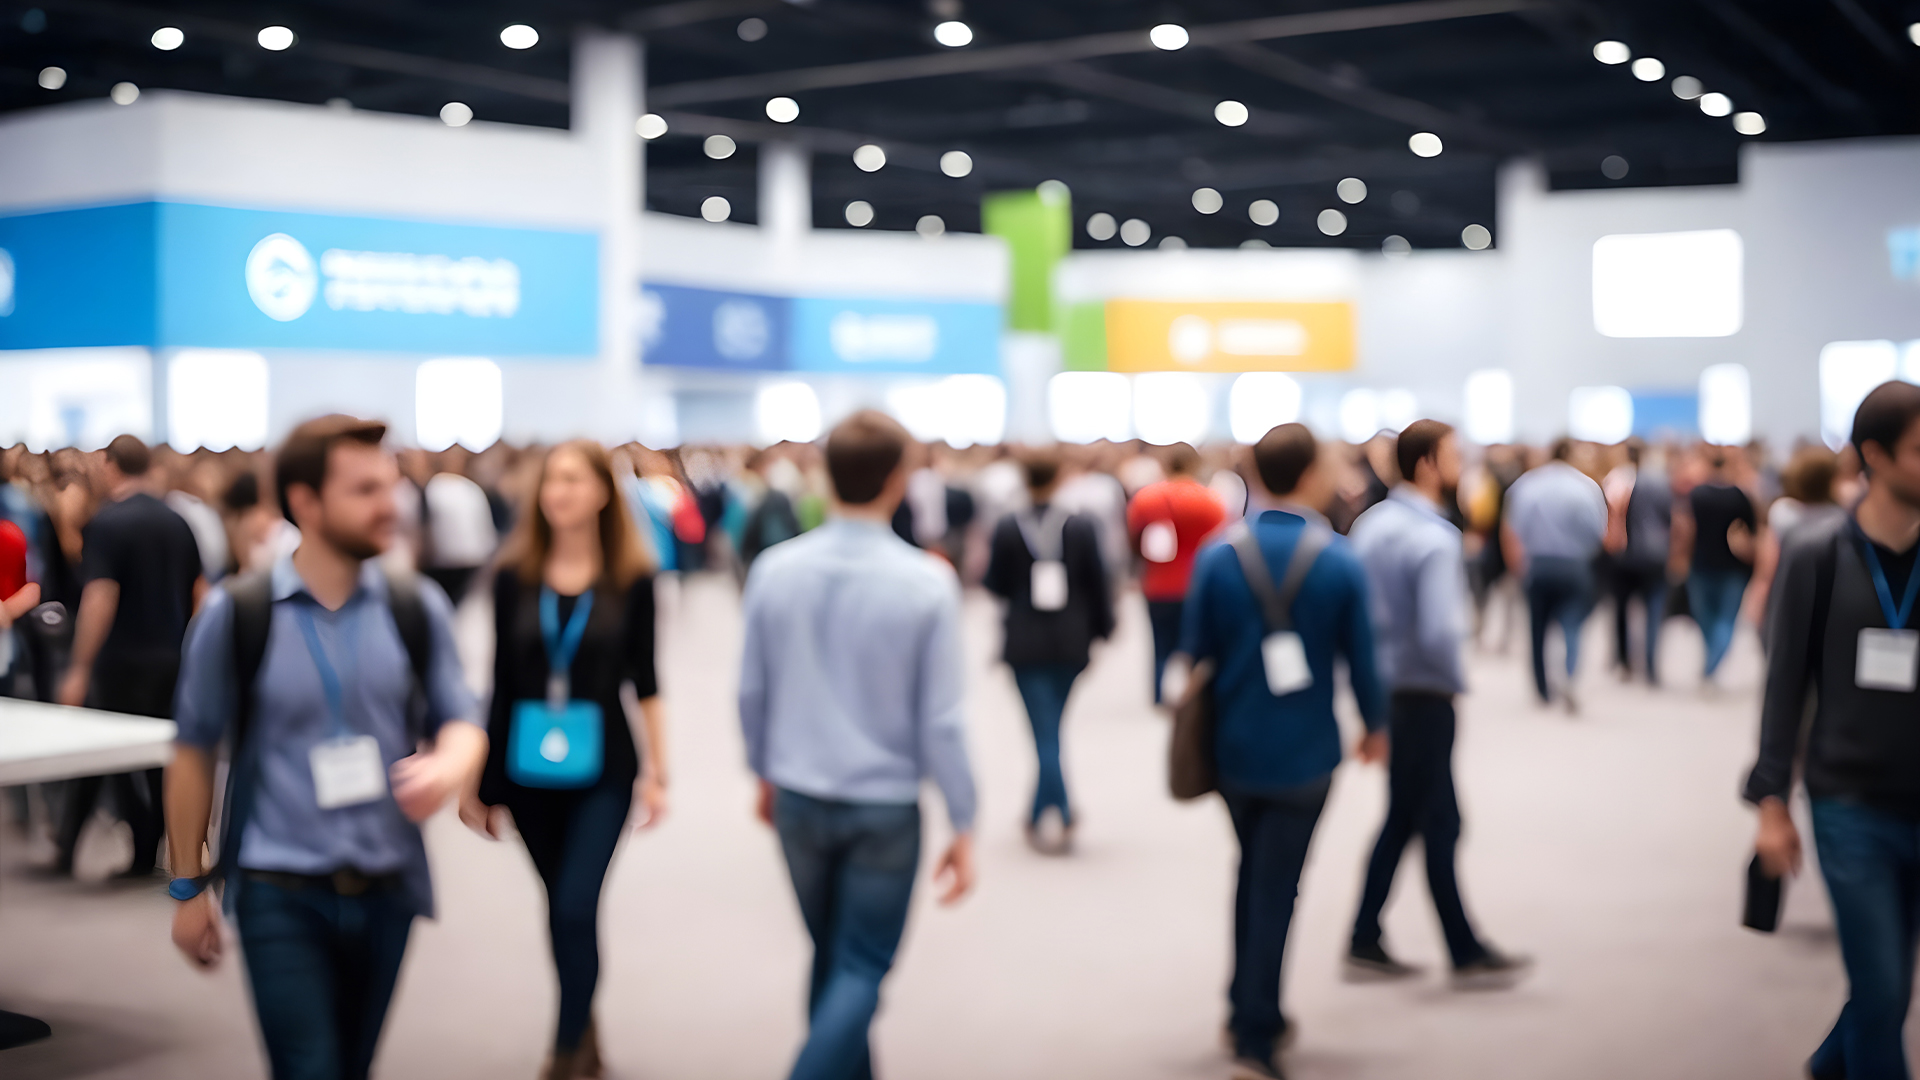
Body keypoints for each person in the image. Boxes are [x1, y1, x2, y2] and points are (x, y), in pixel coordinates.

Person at [164, 415, 487, 1080]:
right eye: (365, 489)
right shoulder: (237, 613)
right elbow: (192, 751)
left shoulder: (413, 605)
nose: (390, 505)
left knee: (353, 1065)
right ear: (305, 502)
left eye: (391, 486)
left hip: (387, 887)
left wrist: (447, 766)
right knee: (309, 1068)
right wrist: (187, 886)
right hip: (279, 888)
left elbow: (463, 719)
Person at [738, 410, 977, 1080]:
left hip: (800, 795)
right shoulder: (927, 581)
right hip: (885, 805)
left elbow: (750, 693)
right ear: (900, 481)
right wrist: (964, 817)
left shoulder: (774, 571)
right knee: (862, 963)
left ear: (823, 471)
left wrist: (763, 769)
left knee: (833, 955)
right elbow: (944, 720)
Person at [1179, 423, 1386, 1080]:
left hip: (1233, 745)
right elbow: (1364, 662)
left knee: (1253, 872)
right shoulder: (1339, 559)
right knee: (1277, 885)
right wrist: (1376, 725)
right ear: (1308, 475)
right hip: (1307, 750)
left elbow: (1194, 650)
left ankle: (1243, 1005)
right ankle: (1255, 1031)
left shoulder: (1217, 555)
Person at [469, 440, 670, 1080]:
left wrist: (661, 772)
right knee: (560, 905)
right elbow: (499, 679)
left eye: (575, 480)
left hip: (606, 766)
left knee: (577, 904)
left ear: (604, 492)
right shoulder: (512, 576)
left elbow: (648, 680)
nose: (560, 492)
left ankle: (563, 1050)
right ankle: (586, 1024)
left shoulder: (632, 577)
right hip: (526, 766)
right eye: (552, 480)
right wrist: (480, 775)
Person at [1747, 381, 1920, 1080]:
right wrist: (1769, 804)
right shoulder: (1817, 554)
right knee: (1881, 991)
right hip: (1849, 802)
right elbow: (1784, 683)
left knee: (1888, 986)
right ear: (1874, 456)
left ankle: (1827, 1066)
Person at [1343, 421, 1531, 989]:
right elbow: (1439, 631)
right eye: (1451, 454)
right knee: (1431, 818)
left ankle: (1383, 937)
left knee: (1418, 816)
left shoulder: (1370, 526)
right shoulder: (1434, 537)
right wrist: (1457, 682)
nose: (1460, 464)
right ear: (1427, 463)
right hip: (1425, 694)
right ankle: (1448, 945)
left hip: (1385, 689)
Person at [56, 435, 206, 877]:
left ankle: (119, 848)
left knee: (111, 755)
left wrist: (80, 666)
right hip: (171, 658)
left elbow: (101, 597)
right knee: (163, 759)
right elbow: (201, 591)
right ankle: (150, 850)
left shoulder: (107, 523)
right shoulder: (178, 520)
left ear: (110, 465)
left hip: (122, 660)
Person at [983, 449, 1113, 855]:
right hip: (1071, 641)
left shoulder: (1007, 526)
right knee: (1051, 727)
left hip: (1025, 641)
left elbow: (994, 584)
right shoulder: (1080, 526)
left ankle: (1052, 809)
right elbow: (1099, 583)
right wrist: (1103, 629)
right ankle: (1050, 808)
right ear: (1058, 478)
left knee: (1044, 730)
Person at [1502, 439, 1607, 712]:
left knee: (1537, 628)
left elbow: (1513, 527)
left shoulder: (1527, 484)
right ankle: (1570, 675)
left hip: (1538, 564)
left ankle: (1542, 689)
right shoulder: (1586, 487)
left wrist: (1518, 564)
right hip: (1574, 565)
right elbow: (1597, 532)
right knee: (1572, 625)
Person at [1127, 443, 1228, 704]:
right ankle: (1192, 695)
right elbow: (1222, 544)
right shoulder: (1209, 500)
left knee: (1159, 642)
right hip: (1197, 583)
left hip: (1157, 582)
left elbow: (1133, 540)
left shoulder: (1146, 498)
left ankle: (1158, 694)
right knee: (1195, 644)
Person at [1677, 447, 1757, 684]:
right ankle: (1713, 664)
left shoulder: (1697, 495)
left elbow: (1687, 530)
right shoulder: (1740, 496)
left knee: (1706, 619)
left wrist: (1681, 559)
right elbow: (1750, 533)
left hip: (1701, 564)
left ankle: (1710, 665)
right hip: (1732, 567)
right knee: (1726, 619)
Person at [1604, 442, 1673, 684]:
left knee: (1622, 610)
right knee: (1654, 611)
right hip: (1655, 554)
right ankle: (1652, 666)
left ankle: (1624, 661)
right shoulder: (1660, 481)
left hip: (1624, 554)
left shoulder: (1616, 480)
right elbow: (1670, 517)